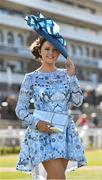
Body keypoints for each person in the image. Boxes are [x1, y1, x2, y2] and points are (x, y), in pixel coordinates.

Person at [15, 13, 86, 180]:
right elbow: (20, 109)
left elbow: (77, 101)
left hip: (64, 132)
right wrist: (36, 123)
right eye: (47, 49)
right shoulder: (30, 78)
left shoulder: (66, 74)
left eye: (55, 50)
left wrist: (72, 77)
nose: (51, 53)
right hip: (42, 133)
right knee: (58, 178)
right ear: (39, 50)